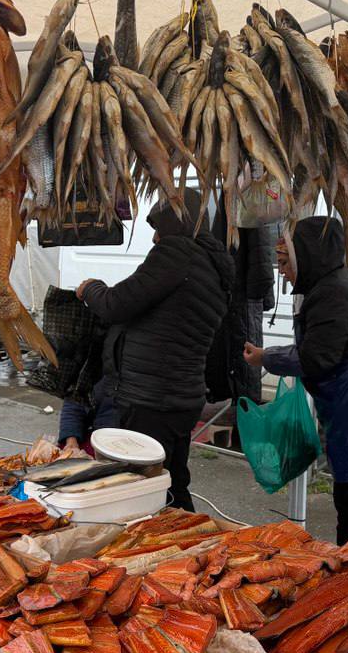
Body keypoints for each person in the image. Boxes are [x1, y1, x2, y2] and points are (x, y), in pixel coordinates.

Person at [243, 216, 348, 552]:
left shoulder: (332, 292)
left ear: (307, 256)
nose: (282, 272)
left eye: (285, 262)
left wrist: (266, 357)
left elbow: (317, 358)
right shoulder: (331, 285)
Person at [77, 190, 234, 511]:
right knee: (172, 483)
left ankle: (174, 549)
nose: (154, 239)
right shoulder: (213, 266)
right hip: (179, 397)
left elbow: (116, 303)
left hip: (151, 398)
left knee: (144, 490)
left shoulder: (177, 254)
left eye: (158, 228)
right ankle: (195, 543)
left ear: (176, 225)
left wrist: (90, 288)